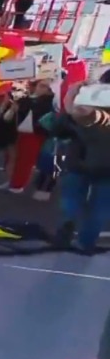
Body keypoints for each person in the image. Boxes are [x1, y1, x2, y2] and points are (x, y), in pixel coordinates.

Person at [50, 97, 110, 255]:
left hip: (78, 158)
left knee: (71, 197)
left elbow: (59, 130)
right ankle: (86, 242)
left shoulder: (85, 104)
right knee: (101, 206)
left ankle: (67, 223)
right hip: (107, 165)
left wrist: (71, 106)